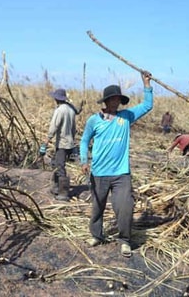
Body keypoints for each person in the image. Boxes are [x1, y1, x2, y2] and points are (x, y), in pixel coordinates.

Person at [79, 71, 153, 258]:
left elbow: (147, 105)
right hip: (99, 173)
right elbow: (84, 141)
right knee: (98, 206)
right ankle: (97, 235)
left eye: (117, 99)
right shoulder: (94, 120)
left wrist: (146, 84)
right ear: (105, 101)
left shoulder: (126, 116)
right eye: (111, 99)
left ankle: (125, 240)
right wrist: (83, 160)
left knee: (125, 207)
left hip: (121, 173)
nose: (115, 102)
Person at [40, 88, 78, 201]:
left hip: (62, 143)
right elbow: (73, 129)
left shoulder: (60, 110)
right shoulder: (71, 110)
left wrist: (46, 142)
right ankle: (56, 188)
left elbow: (54, 127)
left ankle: (63, 193)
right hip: (69, 143)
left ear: (57, 99)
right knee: (58, 164)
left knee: (60, 167)